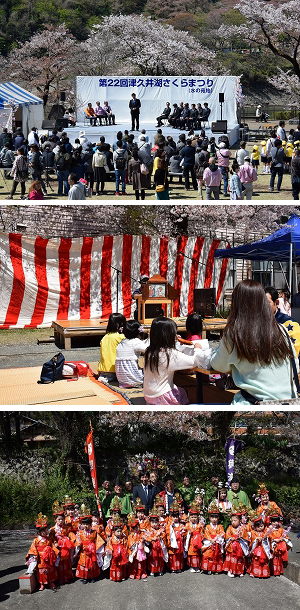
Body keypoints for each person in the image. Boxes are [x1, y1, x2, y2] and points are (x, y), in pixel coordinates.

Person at [210, 279, 298, 404]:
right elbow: (296, 366)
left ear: (236, 304)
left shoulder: (235, 333)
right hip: (290, 404)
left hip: (255, 406)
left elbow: (218, 365)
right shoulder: (282, 329)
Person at [143, 316, 210, 405]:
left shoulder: (149, 351)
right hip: (163, 396)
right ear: (170, 335)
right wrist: (197, 349)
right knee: (184, 392)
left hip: (148, 396)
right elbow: (195, 361)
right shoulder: (171, 354)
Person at [25, 514, 58, 591]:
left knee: (50, 570)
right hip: (40, 558)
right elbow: (33, 549)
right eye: (42, 531)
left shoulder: (49, 539)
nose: (44, 532)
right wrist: (34, 556)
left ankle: (51, 582)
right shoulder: (36, 540)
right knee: (41, 571)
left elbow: (52, 545)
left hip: (49, 558)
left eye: (45, 530)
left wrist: (56, 551)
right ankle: (41, 583)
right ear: (39, 532)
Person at [265, 285, 300, 357]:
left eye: (267, 303)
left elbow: (293, 353)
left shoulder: (289, 324)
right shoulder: (257, 323)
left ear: (276, 303)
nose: (262, 307)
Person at [115, 319, 148, 387]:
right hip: (135, 379)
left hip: (122, 380)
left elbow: (141, 344)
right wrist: (151, 338)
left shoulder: (121, 342)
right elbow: (148, 349)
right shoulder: (135, 342)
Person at [98, 313, 126, 381]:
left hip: (102, 369)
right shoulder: (121, 337)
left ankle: (105, 377)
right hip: (114, 369)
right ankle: (110, 378)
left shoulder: (105, 337)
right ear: (122, 324)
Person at [75, 511, 100, 583]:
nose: (85, 526)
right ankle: (85, 577)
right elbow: (78, 541)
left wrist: (95, 548)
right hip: (84, 550)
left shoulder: (94, 532)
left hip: (92, 550)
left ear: (90, 524)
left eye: (87, 524)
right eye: (84, 524)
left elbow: (97, 540)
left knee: (92, 562)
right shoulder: (80, 533)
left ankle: (92, 576)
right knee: (84, 563)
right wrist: (79, 544)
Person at [223, 509, 249, 577]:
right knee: (232, 557)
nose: (233, 522)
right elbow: (227, 535)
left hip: (239, 545)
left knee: (239, 558)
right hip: (231, 545)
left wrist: (240, 537)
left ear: (240, 521)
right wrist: (230, 538)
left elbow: (245, 536)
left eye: (235, 520)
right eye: (232, 520)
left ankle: (239, 571)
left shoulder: (242, 528)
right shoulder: (230, 527)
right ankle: (230, 570)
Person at [201, 503, 225, 574]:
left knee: (216, 556)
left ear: (218, 518)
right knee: (208, 555)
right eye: (212, 517)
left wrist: (217, 539)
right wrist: (211, 540)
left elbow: (222, 534)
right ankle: (208, 569)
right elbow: (206, 534)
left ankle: (216, 569)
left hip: (217, 543)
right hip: (209, 543)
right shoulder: (208, 526)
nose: (214, 519)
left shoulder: (220, 526)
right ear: (209, 518)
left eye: (216, 517)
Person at [144, 508, 168, 576]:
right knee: (153, 558)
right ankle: (153, 570)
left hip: (159, 546)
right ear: (150, 523)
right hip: (152, 546)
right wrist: (152, 538)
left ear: (158, 522)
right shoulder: (149, 530)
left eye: (155, 522)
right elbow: (146, 537)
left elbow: (164, 535)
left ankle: (160, 569)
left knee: (160, 558)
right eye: (152, 522)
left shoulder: (160, 529)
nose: (154, 524)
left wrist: (160, 536)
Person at [166, 500, 186, 573]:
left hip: (179, 542)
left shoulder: (181, 525)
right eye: (174, 517)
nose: (175, 518)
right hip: (173, 542)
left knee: (179, 555)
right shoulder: (170, 525)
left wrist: (182, 533)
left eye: (176, 517)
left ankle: (179, 567)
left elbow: (184, 533)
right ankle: (173, 567)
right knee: (173, 555)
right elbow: (167, 532)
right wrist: (170, 527)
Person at [127, 514, 148, 579]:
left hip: (141, 550)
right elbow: (130, 543)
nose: (136, 529)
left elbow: (146, 538)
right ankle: (134, 573)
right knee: (134, 563)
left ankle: (142, 573)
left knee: (141, 563)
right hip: (135, 551)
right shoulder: (131, 535)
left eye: (137, 527)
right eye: (134, 528)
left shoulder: (142, 533)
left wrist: (142, 540)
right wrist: (136, 543)